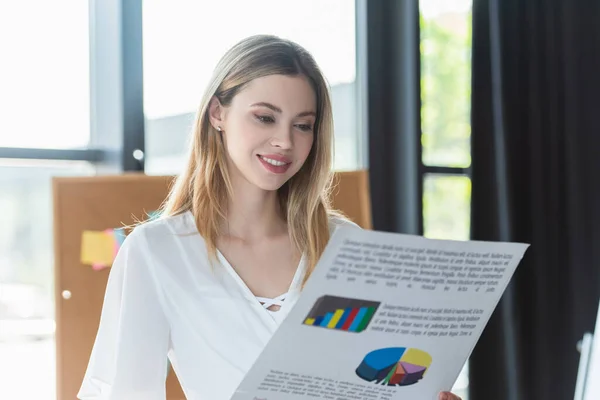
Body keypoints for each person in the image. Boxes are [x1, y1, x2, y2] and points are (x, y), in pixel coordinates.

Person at [77, 34, 462, 400]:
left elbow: (377, 378)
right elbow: (121, 389)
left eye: (303, 125)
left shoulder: (345, 245)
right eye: (265, 118)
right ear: (217, 113)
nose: (285, 141)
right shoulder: (158, 251)